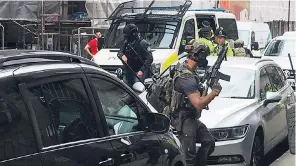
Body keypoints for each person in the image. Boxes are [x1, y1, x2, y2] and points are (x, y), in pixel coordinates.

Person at [173, 44, 222, 166]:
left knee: (208, 142)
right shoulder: (186, 77)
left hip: (191, 117)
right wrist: (214, 93)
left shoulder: (188, 70)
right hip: (184, 119)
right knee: (189, 157)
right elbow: (198, 104)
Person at [118, 24, 153, 88]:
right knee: (125, 88)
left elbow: (149, 58)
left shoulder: (143, 43)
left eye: (127, 36)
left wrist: (142, 71)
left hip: (139, 71)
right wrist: (122, 55)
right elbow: (120, 52)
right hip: (129, 70)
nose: (126, 38)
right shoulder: (126, 42)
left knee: (138, 88)